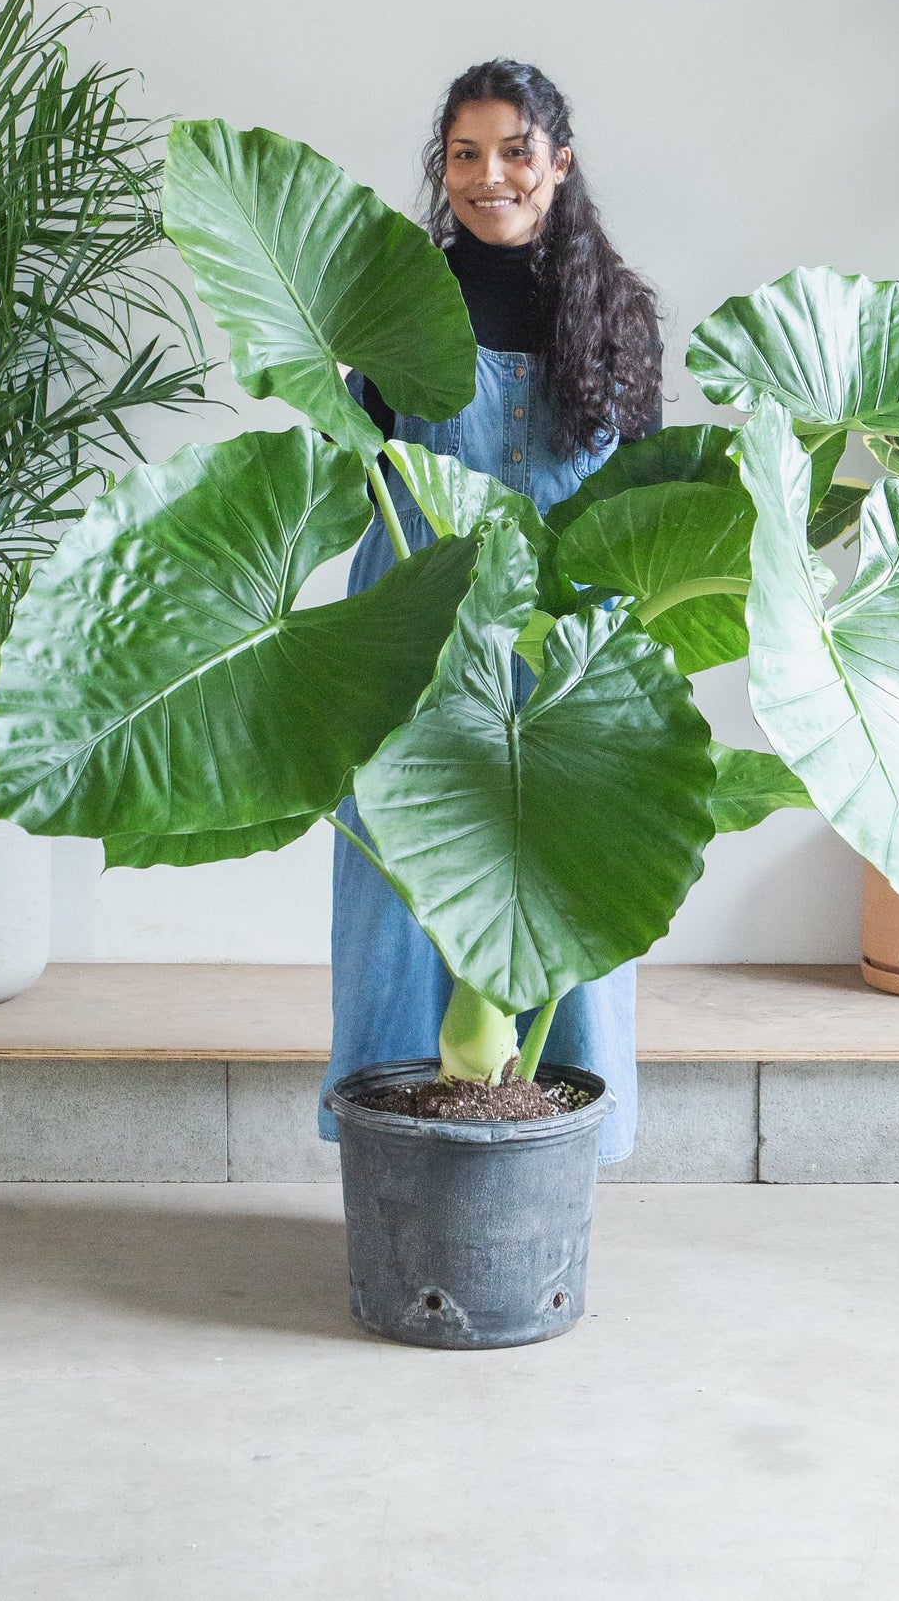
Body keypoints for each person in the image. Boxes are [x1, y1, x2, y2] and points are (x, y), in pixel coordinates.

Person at [318, 58, 664, 1163]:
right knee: (400, 880)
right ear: (442, 168)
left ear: (558, 164)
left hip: (562, 632)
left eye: (514, 150)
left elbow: (641, 507)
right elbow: (358, 463)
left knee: (578, 872)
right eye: (463, 154)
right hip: (417, 621)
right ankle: (388, 1134)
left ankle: (562, 1145)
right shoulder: (395, 302)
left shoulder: (614, 314)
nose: (488, 175)